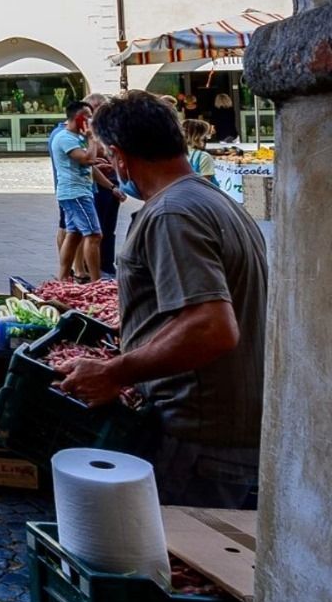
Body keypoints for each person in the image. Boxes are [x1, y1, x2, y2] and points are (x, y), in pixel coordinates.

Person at [60, 90, 268, 508]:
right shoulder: (214, 200)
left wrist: (115, 371)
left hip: (197, 436)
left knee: (178, 559)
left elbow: (211, 327)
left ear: (119, 156)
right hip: (224, 428)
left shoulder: (173, 213)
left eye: (104, 154)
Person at [49, 101, 101, 281]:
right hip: (75, 193)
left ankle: (63, 278)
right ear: (78, 118)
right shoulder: (65, 138)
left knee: (74, 234)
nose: (91, 120)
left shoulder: (75, 137)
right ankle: (96, 281)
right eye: (88, 116)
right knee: (94, 235)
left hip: (78, 191)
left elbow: (89, 161)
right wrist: (92, 138)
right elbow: (87, 158)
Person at [84, 96, 130, 277]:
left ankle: (107, 264)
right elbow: (88, 160)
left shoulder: (107, 129)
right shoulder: (88, 133)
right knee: (97, 229)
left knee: (109, 228)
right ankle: (92, 267)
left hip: (112, 181)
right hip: (97, 185)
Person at [183, 118, 220, 186]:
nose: (208, 137)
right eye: (207, 135)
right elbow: (206, 188)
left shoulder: (174, 155)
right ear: (200, 137)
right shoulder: (203, 157)